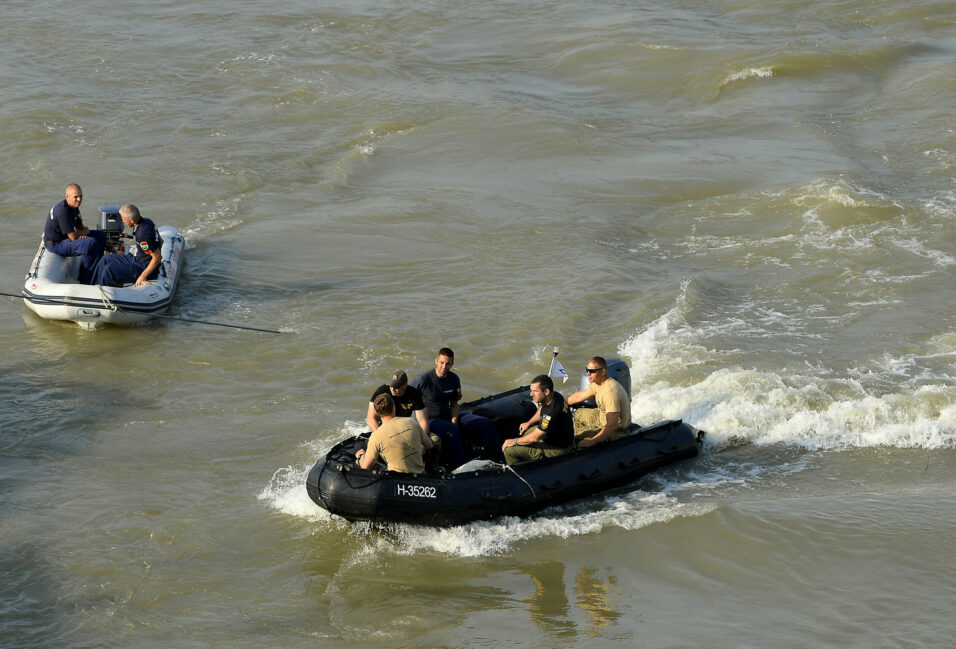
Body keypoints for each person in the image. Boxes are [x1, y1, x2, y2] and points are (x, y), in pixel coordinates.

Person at [410, 347, 503, 467]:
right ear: (436, 361)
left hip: (448, 416)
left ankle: (500, 460)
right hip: (430, 421)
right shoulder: (422, 380)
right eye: (441, 363)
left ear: (452, 364)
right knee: (452, 429)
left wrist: (454, 421)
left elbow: (454, 404)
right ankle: (462, 467)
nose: (444, 366)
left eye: (447, 363)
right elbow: (406, 395)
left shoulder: (454, 379)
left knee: (485, 423)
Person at [502, 375, 574, 465]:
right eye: (531, 390)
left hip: (558, 449)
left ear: (546, 391)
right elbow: (542, 408)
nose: (531, 394)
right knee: (526, 432)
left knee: (510, 451)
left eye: (535, 391)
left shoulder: (551, 413)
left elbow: (535, 438)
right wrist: (529, 423)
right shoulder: (555, 396)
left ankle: (518, 473)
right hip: (556, 436)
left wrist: (514, 441)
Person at [43, 183, 107, 284]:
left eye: (81, 196)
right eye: (76, 197)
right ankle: (87, 280)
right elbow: (72, 236)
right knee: (91, 243)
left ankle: (96, 268)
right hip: (55, 243)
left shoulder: (74, 206)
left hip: (65, 237)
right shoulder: (62, 211)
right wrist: (84, 232)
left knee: (101, 236)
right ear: (67, 197)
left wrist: (83, 231)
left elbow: (79, 226)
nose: (79, 199)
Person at [355, 393, 432, 473]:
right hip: (420, 474)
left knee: (360, 462)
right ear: (394, 408)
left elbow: (365, 466)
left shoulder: (376, 435)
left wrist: (360, 456)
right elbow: (429, 445)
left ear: (377, 413)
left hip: (396, 479)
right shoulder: (412, 422)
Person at [90, 204, 163, 287]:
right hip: (138, 259)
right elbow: (161, 241)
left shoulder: (143, 234)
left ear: (131, 220)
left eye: (124, 219)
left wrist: (142, 277)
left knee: (110, 269)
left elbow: (157, 257)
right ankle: (93, 286)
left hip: (143, 267)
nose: (123, 221)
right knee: (106, 259)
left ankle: (102, 291)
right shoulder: (147, 221)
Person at [566, 356, 632, 448]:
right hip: (602, 417)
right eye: (587, 370)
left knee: (572, 435)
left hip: (617, 431)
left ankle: (583, 443)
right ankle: (582, 438)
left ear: (603, 372)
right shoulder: (598, 383)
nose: (588, 373)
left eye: (592, 371)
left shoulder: (610, 391)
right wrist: (558, 402)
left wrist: (591, 442)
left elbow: (613, 425)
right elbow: (578, 396)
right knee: (578, 413)